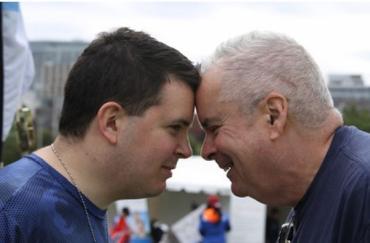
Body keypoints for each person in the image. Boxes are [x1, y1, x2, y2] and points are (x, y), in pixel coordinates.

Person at [0, 27, 200, 242]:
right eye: (175, 128)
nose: (186, 150)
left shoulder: (84, 203)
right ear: (112, 122)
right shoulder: (11, 210)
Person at [195, 31, 370, 242]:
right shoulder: (329, 194)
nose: (206, 151)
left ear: (273, 115)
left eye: (214, 128)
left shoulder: (362, 191)